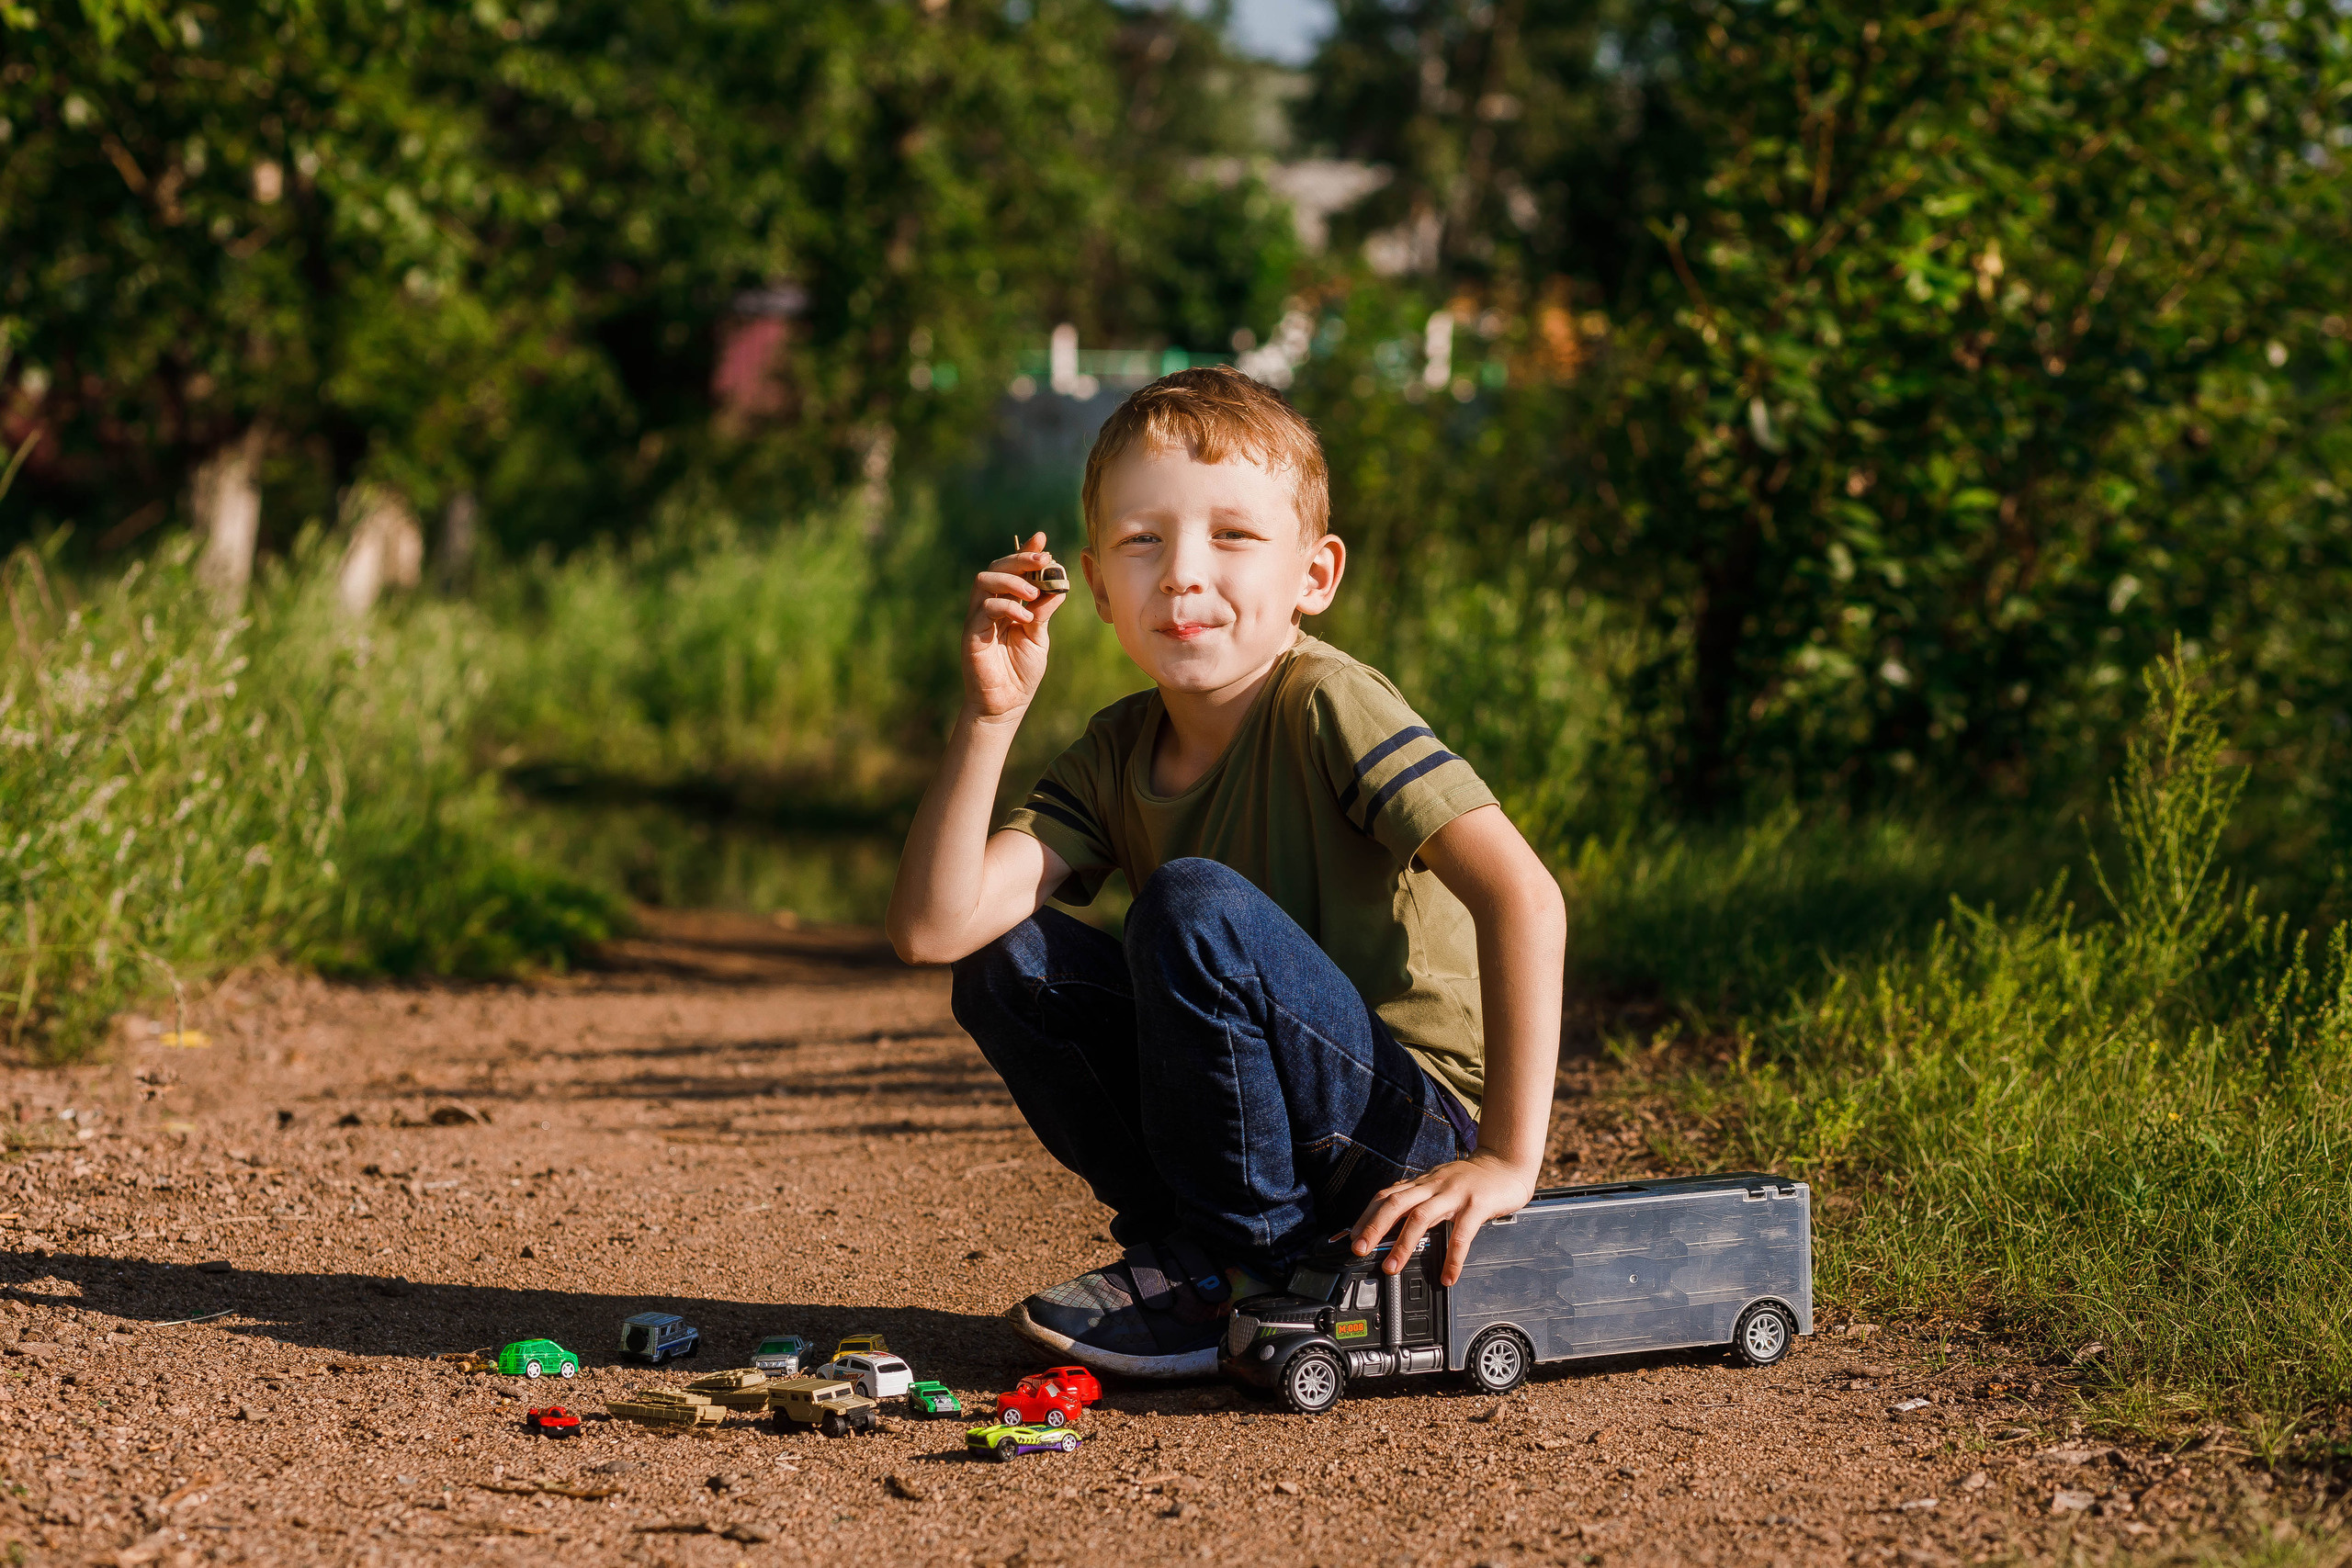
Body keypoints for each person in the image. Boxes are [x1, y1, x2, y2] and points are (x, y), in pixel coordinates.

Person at [887, 367, 1566, 1378]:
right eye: (1141, 541)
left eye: (1233, 536)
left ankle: (1242, 1268)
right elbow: (935, 928)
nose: (1181, 573)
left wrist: (1506, 1160)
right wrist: (991, 714)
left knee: (1190, 902)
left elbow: (1523, 894)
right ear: (1097, 585)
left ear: (1315, 575)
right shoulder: (1119, 748)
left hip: (1400, 1128)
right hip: (1266, 1146)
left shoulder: (1328, 702)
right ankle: (1205, 1257)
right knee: (1007, 959)